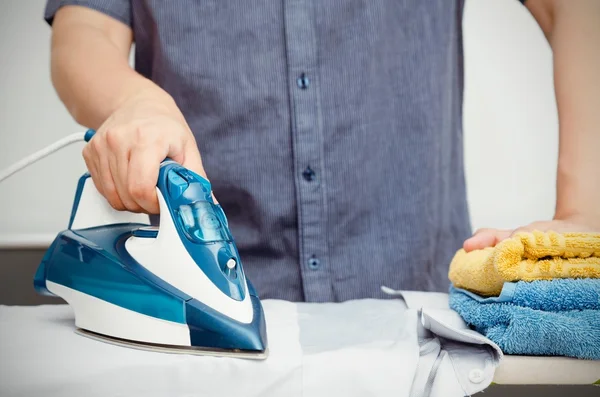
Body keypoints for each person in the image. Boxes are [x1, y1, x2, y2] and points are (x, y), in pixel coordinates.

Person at [44, 0, 600, 302]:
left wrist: (580, 212)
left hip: (413, 312)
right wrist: (137, 103)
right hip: (207, 327)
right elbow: (82, 36)